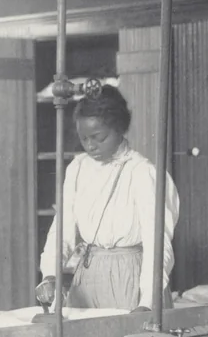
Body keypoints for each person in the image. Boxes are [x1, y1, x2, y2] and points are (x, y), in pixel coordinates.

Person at [36, 85, 178, 313]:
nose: (90, 146)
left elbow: (158, 244)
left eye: (98, 137)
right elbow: (62, 229)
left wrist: (147, 302)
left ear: (119, 129)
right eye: (84, 139)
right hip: (88, 279)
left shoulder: (142, 172)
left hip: (132, 280)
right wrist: (51, 273)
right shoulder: (78, 168)